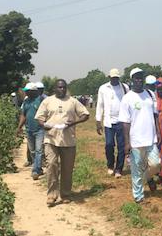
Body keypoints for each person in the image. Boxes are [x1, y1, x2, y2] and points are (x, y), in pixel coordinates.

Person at [35, 79, 90, 207]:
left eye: (64, 87)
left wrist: (75, 122)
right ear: (55, 89)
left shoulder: (72, 101)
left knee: (67, 169)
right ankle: (52, 195)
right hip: (51, 139)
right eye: (59, 87)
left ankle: (65, 194)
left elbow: (85, 115)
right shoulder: (47, 101)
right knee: (52, 165)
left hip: (68, 140)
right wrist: (44, 125)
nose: (62, 90)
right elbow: (40, 118)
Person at [119, 68, 160, 203]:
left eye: (141, 77)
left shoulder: (150, 95)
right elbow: (125, 123)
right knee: (137, 168)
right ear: (132, 80)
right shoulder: (127, 98)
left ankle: (146, 178)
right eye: (136, 78)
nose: (139, 80)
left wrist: (158, 132)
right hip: (136, 140)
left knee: (156, 164)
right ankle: (138, 196)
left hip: (151, 138)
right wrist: (127, 142)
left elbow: (155, 116)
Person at [95, 68, 129, 178]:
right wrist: (98, 120)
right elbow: (100, 105)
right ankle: (110, 165)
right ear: (109, 77)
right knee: (109, 144)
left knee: (121, 146)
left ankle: (119, 168)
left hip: (121, 121)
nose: (115, 80)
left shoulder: (125, 87)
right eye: (113, 78)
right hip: (109, 122)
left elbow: (129, 103)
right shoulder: (103, 88)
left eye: (117, 78)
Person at [17, 82, 45, 180]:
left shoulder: (41, 100)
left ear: (33, 91)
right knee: (32, 151)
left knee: (38, 150)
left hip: (40, 130)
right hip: (29, 129)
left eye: (27, 91)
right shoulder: (26, 101)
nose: (26, 93)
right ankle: (39, 168)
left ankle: (35, 170)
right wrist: (19, 127)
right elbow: (23, 115)